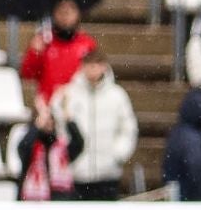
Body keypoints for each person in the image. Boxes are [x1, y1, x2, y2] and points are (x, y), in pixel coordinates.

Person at [54, 48, 139, 199]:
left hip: (107, 176)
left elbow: (128, 129)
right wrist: (69, 156)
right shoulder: (68, 94)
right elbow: (58, 127)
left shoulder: (117, 96)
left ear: (104, 66)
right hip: (76, 176)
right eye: (88, 64)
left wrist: (118, 154)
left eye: (96, 64)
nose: (92, 69)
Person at [19, 0, 99, 104]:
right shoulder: (44, 41)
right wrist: (35, 53)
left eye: (71, 9)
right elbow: (27, 74)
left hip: (78, 106)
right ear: (54, 13)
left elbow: (96, 74)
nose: (65, 13)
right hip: (48, 108)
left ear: (78, 13)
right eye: (61, 9)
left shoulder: (87, 44)